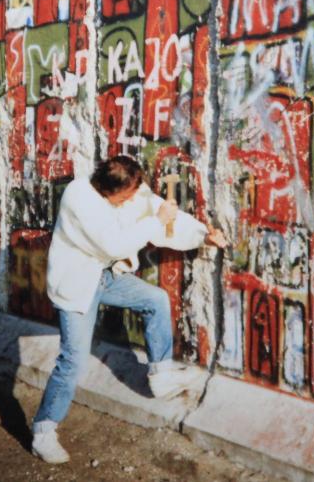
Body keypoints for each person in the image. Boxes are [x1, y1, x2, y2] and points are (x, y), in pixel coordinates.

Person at [30, 155, 228, 464]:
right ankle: (43, 431)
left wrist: (204, 235)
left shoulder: (128, 191)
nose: (135, 197)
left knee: (155, 300)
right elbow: (115, 245)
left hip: (105, 277)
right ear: (110, 190)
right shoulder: (79, 197)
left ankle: (160, 374)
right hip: (77, 285)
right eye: (129, 194)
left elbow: (158, 208)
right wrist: (157, 220)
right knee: (72, 361)